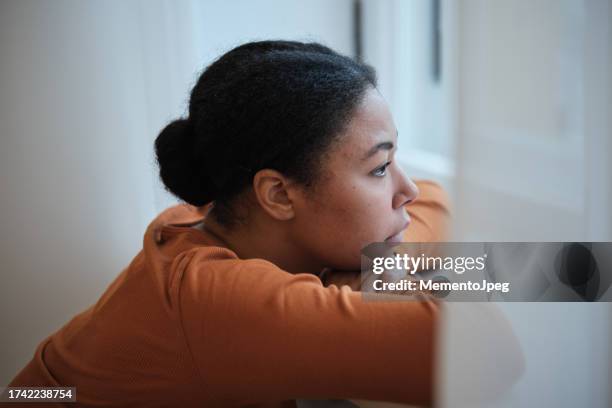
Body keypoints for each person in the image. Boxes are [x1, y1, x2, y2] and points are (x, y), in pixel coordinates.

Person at [6, 40, 451, 407]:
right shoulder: (217, 300)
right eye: (379, 168)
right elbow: (489, 352)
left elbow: (439, 200)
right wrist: (379, 272)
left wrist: (375, 268)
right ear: (277, 194)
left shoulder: (220, 223)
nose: (407, 189)